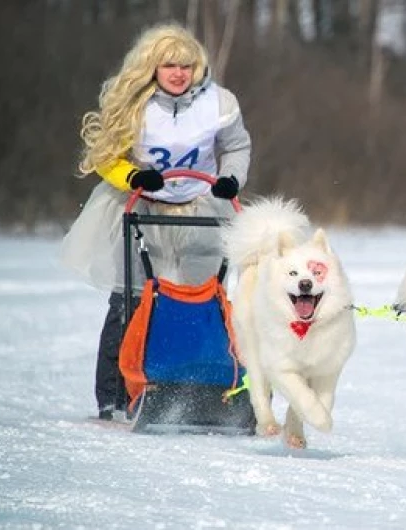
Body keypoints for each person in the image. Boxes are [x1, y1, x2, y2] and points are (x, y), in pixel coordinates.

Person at [59, 22, 252, 421]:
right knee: (130, 301)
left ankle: (197, 388)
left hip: (200, 209)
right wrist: (132, 176)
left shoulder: (219, 102)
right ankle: (113, 397)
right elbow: (105, 155)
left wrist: (231, 179)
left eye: (186, 65)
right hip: (140, 209)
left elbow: (236, 146)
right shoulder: (133, 102)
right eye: (169, 65)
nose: (179, 73)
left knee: (201, 299)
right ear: (153, 67)